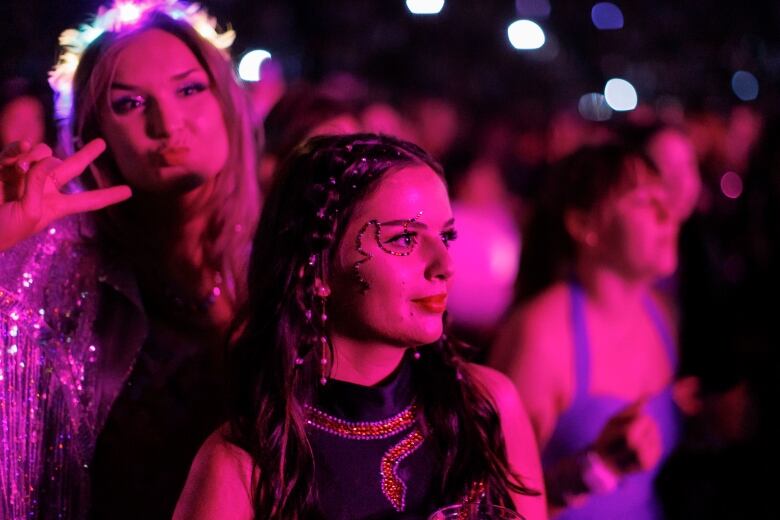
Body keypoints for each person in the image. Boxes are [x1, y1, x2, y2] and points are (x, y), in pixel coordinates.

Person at [174, 133, 547, 520]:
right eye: (404, 239)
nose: (445, 266)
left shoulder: (486, 410)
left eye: (446, 236)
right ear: (316, 268)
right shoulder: (242, 465)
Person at [0, 1, 259, 517]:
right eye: (130, 104)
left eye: (188, 89)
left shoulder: (289, 252)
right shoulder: (63, 277)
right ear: (96, 134)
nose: (168, 124)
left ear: (226, 100)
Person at [491, 142, 681, 519]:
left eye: (665, 196)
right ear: (584, 226)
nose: (667, 213)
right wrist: (595, 468)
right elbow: (492, 500)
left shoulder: (661, 314)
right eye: (643, 200)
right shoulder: (542, 335)